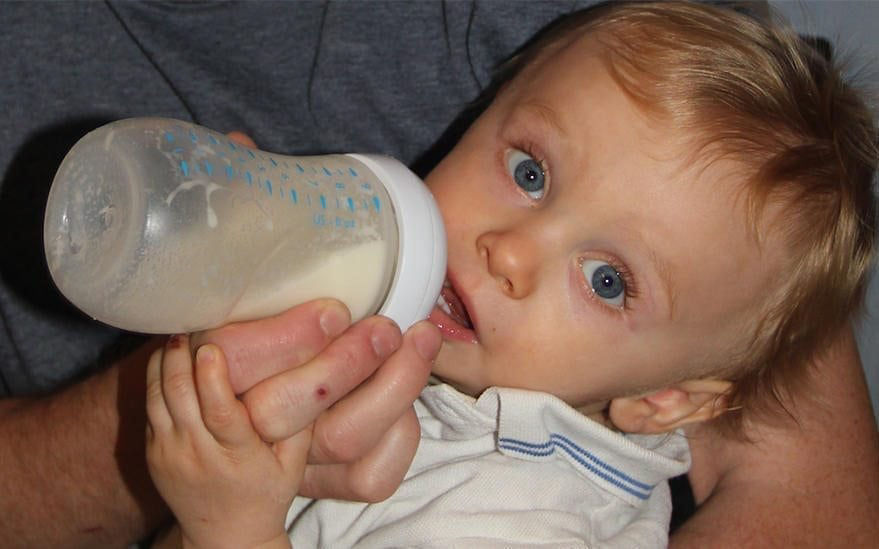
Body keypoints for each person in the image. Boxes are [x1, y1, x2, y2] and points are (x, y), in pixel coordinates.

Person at [1, 1, 877, 547]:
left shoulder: (515, 516)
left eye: (608, 281)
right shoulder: (444, 380)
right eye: (529, 172)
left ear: (665, 402)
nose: (509, 249)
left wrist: (230, 525)